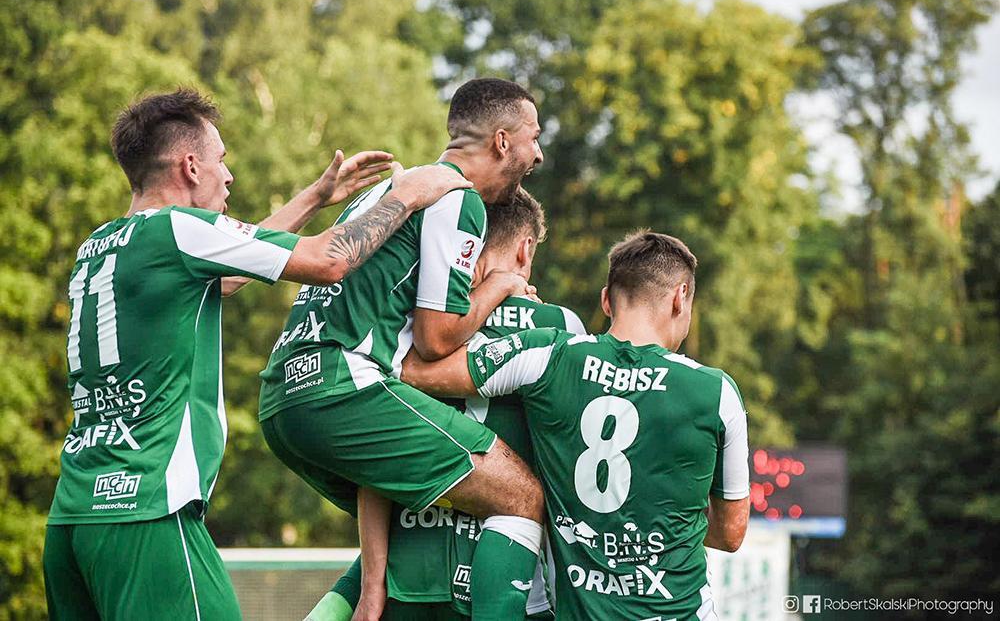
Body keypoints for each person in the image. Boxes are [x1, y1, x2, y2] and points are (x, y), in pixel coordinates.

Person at [42, 88, 469, 621]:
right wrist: (407, 195)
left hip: (73, 518)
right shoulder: (179, 230)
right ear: (190, 166)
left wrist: (314, 197)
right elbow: (330, 261)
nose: (229, 176)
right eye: (221, 160)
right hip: (147, 510)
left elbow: (227, 276)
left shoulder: (100, 245)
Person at [258, 78, 547, 620]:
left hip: (284, 395)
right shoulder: (457, 198)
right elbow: (436, 338)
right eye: (534, 137)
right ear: (503, 141)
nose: (539, 153)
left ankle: (366, 599)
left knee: (409, 517)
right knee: (520, 496)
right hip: (341, 388)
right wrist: (500, 284)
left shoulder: (385, 193)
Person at [402, 231, 751, 620]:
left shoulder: (548, 354)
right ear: (680, 297)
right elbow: (731, 533)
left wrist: (489, 293)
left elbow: (415, 373)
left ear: (606, 300)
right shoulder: (716, 392)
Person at [315, 188, 586, 620]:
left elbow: (379, 467)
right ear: (525, 248)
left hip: (409, 572)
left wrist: (371, 583)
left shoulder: (409, 331)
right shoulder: (558, 325)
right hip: (508, 573)